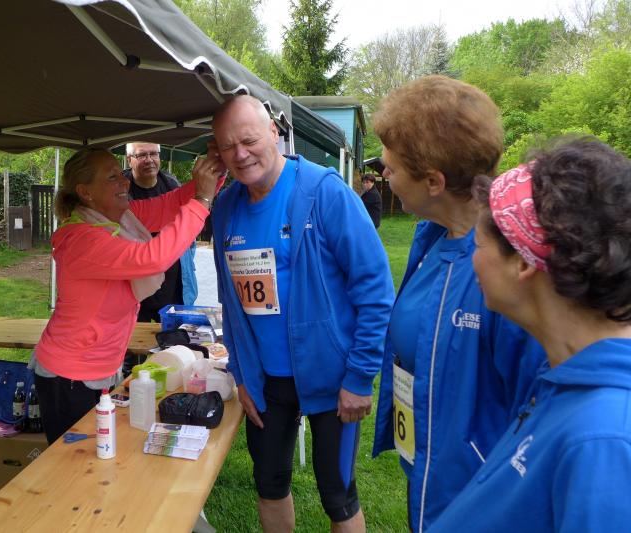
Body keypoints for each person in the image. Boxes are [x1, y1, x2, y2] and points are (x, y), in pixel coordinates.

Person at [369, 75, 545, 532]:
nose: (384, 175)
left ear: (434, 181)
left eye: (391, 168)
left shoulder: (505, 268)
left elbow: (539, 411)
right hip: (429, 474)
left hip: (477, 500)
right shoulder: (432, 236)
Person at [210, 95, 394, 532]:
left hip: (332, 377)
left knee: (338, 495)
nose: (240, 154)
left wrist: (359, 377)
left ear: (274, 133)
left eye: (249, 140)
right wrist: (241, 375)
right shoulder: (226, 207)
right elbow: (229, 302)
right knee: (269, 483)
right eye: (228, 146)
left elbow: (375, 289)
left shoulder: (324, 191)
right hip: (266, 382)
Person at [430, 137, 631, 531]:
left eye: (478, 244)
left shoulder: (603, 440)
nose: (473, 260)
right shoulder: (564, 376)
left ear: (523, 263)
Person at [33, 147, 222, 444]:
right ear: (85, 192)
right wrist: (203, 200)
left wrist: (215, 172)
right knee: (74, 461)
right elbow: (153, 258)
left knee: (100, 452)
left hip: (98, 366)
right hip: (68, 375)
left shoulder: (118, 218)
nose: (124, 182)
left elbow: (169, 204)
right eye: (112, 177)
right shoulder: (81, 238)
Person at [123, 142, 198, 322]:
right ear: (129, 160)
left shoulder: (172, 185)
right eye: (142, 155)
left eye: (154, 154)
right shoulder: (119, 192)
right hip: (136, 286)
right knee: (134, 336)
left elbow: (188, 234)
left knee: (175, 335)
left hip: (173, 284)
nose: (149, 160)